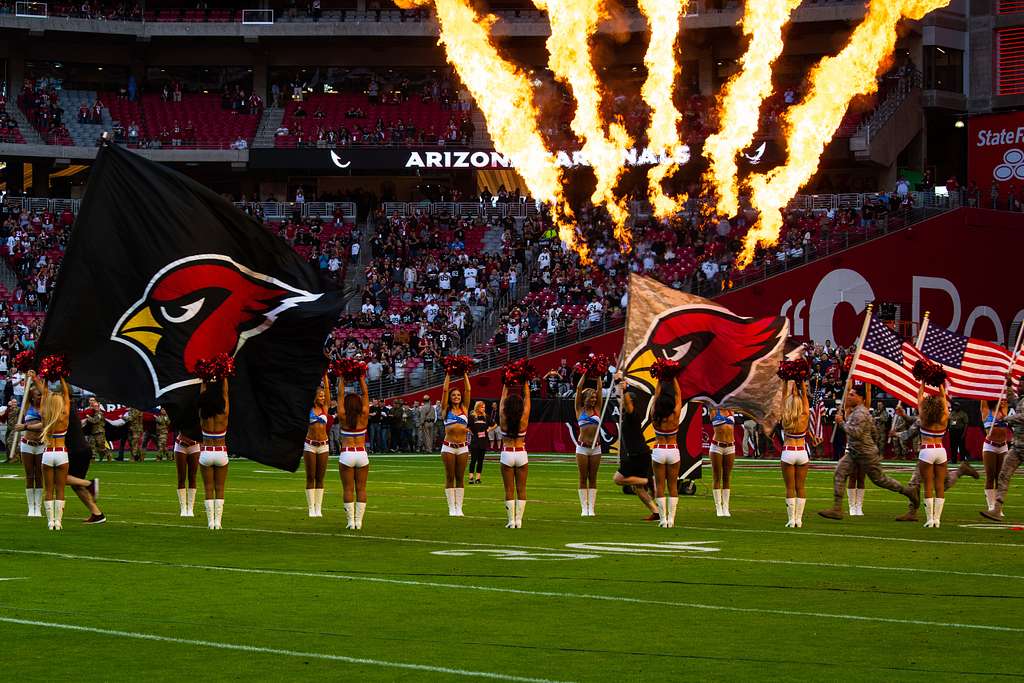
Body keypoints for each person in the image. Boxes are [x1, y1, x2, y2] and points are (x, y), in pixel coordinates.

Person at [819, 383, 918, 519]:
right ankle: (837, 508)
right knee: (839, 472)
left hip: (865, 453)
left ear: (861, 398)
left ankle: (908, 491)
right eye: (849, 394)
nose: (848, 396)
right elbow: (874, 432)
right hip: (856, 451)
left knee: (881, 480)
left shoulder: (860, 413)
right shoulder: (857, 412)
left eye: (852, 394)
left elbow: (857, 433)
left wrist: (841, 423)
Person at [611, 373, 659, 521]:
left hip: (638, 454)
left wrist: (623, 387)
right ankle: (656, 512)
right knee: (637, 489)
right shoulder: (628, 415)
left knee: (618, 479)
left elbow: (627, 403)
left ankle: (645, 481)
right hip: (638, 454)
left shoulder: (632, 414)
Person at [36, 371, 71, 530]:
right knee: (60, 489)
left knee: (48, 489)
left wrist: (45, 378)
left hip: (48, 453)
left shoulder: (45, 414)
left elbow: (43, 393)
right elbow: (66, 393)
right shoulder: (64, 415)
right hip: (62, 453)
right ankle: (59, 521)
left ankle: (50, 522)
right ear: (61, 403)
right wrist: (62, 376)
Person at [780, 377, 815, 528]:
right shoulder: (805, 415)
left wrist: (785, 381)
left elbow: (783, 396)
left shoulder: (785, 414)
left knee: (789, 487)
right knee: (800, 487)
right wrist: (800, 382)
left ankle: (791, 519)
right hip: (802, 452)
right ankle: (799, 520)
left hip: (788, 452)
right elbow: (805, 396)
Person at [338, 372, 370, 530]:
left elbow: (340, 393)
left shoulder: (343, 416)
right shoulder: (364, 415)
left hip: (347, 454)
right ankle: (359, 521)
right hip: (362, 454)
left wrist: (342, 378)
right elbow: (365, 393)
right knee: (361, 489)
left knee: (348, 489)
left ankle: (350, 522)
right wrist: (361, 376)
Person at [198, 370, 230, 530]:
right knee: (220, 488)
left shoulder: (203, 414)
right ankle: (219, 522)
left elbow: (203, 393)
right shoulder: (224, 413)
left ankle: (210, 522)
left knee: (208, 488)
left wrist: (204, 378)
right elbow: (225, 393)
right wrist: (224, 374)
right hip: (221, 451)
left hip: (206, 452)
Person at [916, 380, 950, 528]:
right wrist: (940, 385)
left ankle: (929, 519)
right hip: (941, 451)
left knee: (928, 485)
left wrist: (924, 381)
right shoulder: (944, 419)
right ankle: (938, 519)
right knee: (940, 486)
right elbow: (944, 400)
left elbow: (919, 396)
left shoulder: (924, 417)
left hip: (927, 450)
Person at [651, 374, 683, 528]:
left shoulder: (654, 415)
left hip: (658, 450)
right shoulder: (675, 415)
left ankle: (663, 519)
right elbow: (678, 394)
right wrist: (672, 375)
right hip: (673, 450)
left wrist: (659, 378)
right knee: (673, 486)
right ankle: (672, 520)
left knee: (659, 486)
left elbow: (656, 395)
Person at [440, 368, 471, 516]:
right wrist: (448, 373)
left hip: (463, 447)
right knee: (449, 476)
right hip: (449, 448)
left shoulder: (465, 408)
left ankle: (459, 507)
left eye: (458, 395)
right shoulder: (445, 409)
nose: (457, 396)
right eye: (454, 395)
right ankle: (451, 508)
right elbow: (445, 390)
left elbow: (468, 389)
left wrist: (464, 372)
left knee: (460, 477)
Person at [499, 380, 530, 528]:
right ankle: (519, 520)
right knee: (521, 489)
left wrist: (506, 382)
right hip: (521, 453)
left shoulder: (503, 417)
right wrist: (525, 382)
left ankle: (511, 520)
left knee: (509, 490)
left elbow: (502, 398)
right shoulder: (524, 418)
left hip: (507, 454)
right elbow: (528, 398)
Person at [574, 373, 603, 516]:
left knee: (593, 477)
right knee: (582, 477)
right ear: (585, 398)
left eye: (595, 397)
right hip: (582, 448)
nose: (594, 399)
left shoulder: (597, 409)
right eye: (591, 397)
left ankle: (591, 508)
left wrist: (598, 372)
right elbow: (579, 388)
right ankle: (583, 508)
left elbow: (600, 387)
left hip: (596, 448)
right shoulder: (579, 410)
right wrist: (586, 373)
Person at [304, 374, 331, 518]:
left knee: (320, 477)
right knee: (310, 476)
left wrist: (325, 375)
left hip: (323, 445)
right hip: (310, 445)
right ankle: (310, 508)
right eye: (320, 396)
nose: (323, 397)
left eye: (323, 395)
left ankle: (318, 508)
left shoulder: (325, 408)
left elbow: (327, 391)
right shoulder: (307, 408)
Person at [17, 382, 44, 517]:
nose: (41, 397)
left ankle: (38, 508)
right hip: (27, 444)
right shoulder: (26, 407)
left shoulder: (45, 409)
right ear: (32, 397)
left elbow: (43, 426)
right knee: (29, 476)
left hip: (41, 445)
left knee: (39, 476)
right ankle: (30, 508)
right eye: (38, 395)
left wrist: (25, 427)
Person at [981, 396, 1010, 515]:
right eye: (1001, 399)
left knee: (1000, 477)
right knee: (990, 476)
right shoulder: (986, 411)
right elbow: (982, 397)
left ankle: (998, 507)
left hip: (1003, 446)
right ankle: (991, 505)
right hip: (990, 446)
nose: (1004, 401)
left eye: (1005, 400)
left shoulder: (1004, 411)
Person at [708, 406, 736, 517]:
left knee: (727, 477)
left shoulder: (731, 410)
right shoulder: (714, 410)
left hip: (730, 446)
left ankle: (726, 507)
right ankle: (718, 507)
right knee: (717, 476)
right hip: (717, 447)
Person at [174, 429, 200, 517]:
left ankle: (190, 509)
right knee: (181, 477)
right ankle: (183, 508)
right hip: (180, 445)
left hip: (194, 446)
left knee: (192, 477)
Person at [468, 400, 491, 485]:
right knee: (473, 460)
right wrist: (472, 433)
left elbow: (494, 424)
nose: (483, 409)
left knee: (480, 460)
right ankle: (471, 477)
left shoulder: (486, 417)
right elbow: (467, 427)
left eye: (484, 407)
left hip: (483, 441)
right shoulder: (472, 416)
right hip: (475, 441)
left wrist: (488, 430)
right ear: (477, 407)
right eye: (482, 407)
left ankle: (478, 478)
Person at [85, 397, 110, 462]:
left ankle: (108, 454)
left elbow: (95, 421)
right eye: (90, 400)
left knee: (101, 445)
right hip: (91, 431)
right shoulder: (87, 410)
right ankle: (92, 458)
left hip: (99, 431)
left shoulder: (100, 413)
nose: (92, 402)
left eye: (93, 400)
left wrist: (87, 417)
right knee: (91, 445)